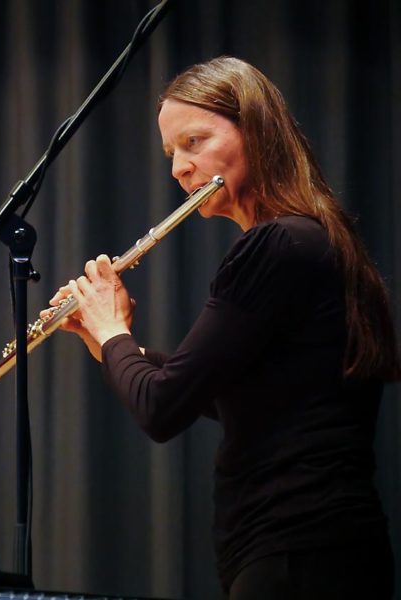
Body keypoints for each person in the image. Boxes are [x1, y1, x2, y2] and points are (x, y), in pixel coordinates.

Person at [49, 57, 400, 599]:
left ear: (255, 132)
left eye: (194, 142)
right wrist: (106, 340)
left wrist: (113, 329)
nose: (178, 170)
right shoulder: (308, 239)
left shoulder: (276, 245)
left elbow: (162, 409)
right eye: (172, 153)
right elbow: (228, 395)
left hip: (296, 555)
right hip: (319, 551)